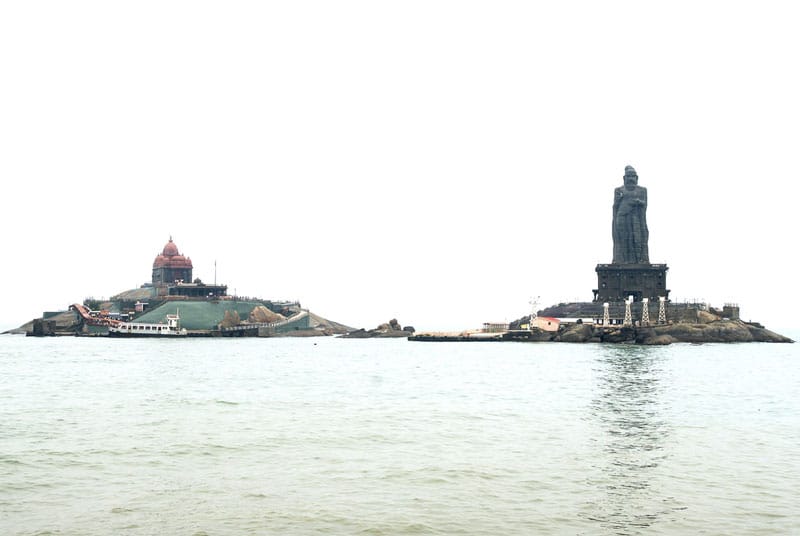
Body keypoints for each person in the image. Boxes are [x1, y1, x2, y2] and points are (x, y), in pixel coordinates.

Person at [612, 165, 649, 264]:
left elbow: (645, 204)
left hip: (636, 218)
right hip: (622, 217)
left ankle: (639, 260)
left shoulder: (642, 190)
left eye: (633, 176)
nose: (631, 179)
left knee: (637, 239)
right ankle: (622, 260)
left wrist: (639, 202)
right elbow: (615, 206)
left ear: (637, 178)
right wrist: (619, 200)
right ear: (624, 178)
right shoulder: (619, 190)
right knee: (623, 239)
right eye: (628, 176)